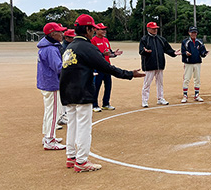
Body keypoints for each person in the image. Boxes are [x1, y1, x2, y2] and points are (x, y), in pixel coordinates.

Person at [60, 14, 145, 173]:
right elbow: (106, 67)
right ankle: (81, 161)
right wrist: (129, 74)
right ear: (87, 29)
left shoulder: (70, 47)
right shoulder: (87, 47)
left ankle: (71, 156)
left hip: (67, 91)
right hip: (81, 91)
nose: (94, 31)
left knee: (72, 124)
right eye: (92, 29)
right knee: (84, 126)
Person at [37, 22, 67, 150]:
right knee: (54, 113)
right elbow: (59, 67)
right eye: (59, 32)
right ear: (53, 34)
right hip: (52, 84)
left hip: (46, 83)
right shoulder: (51, 49)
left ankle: (48, 136)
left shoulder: (46, 47)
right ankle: (49, 139)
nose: (62, 34)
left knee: (49, 111)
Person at [139, 21, 180, 107]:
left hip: (160, 65)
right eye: (153, 29)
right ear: (148, 29)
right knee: (147, 84)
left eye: (156, 28)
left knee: (160, 83)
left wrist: (174, 53)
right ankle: (144, 100)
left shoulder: (161, 39)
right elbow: (141, 51)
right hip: (149, 65)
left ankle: (160, 98)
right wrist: (145, 51)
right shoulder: (144, 39)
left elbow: (167, 49)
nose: (155, 30)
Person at [91, 23, 123, 112]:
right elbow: (93, 55)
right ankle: (94, 105)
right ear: (96, 30)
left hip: (107, 66)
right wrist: (103, 54)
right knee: (96, 86)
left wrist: (114, 54)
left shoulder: (106, 40)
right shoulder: (93, 40)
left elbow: (109, 53)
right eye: (102, 29)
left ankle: (106, 103)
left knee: (108, 86)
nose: (104, 31)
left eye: (105, 29)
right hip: (98, 67)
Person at [181, 26, 208, 102]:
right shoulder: (185, 42)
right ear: (189, 33)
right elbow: (183, 51)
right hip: (188, 62)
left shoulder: (200, 41)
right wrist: (186, 53)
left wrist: (204, 53)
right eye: (192, 32)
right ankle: (185, 95)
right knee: (186, 79)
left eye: (195, 32)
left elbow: (202, 51)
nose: (193, 34)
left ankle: (197, 95)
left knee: (197, 79)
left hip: (197, 62)